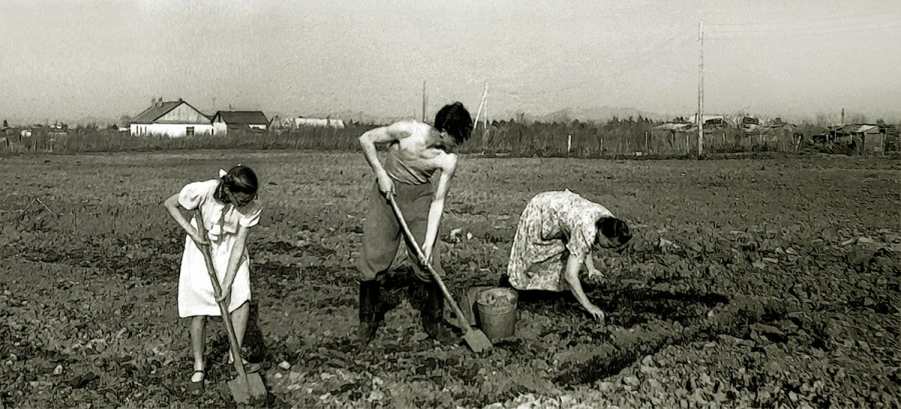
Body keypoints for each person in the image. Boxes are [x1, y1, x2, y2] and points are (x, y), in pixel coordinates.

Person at [356, 102, 473, 346]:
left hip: (420, 200)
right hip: (386, 194)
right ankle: (366, 322)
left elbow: (438, 201)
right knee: (374, 256)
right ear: (444, 132)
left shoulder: (448, 160)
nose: (458, 145)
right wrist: (381, 173)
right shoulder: (408, 130)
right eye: (457, 138)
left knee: (430, 264)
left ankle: (434, 323)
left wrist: (429, 243)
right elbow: (365, 139)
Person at [163, 165, 263, 390]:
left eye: (250, 199)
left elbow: (239, 244)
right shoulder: (203, 191)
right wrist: (193, 233)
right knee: (199, 310)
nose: (247, 204)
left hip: (230, 253)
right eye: (242, 199)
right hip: (202, 252)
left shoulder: (252, 206)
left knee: (241, 299)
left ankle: (234, 359)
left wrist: (227, 284)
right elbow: (170, 204)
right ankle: (199, 365)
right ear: (228, 191)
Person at [504, 190, 632, 321]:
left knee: (566, 254)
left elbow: (585, 243)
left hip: (562, 211)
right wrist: (589, 306)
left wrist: (591, 269)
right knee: (533, 255)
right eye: (610, 245)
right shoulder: (587, 227)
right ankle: (516, 292)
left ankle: (542, 290)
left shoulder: (609, 221)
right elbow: (570, 275)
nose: (609, 249)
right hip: (541, 210)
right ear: (602, 233)